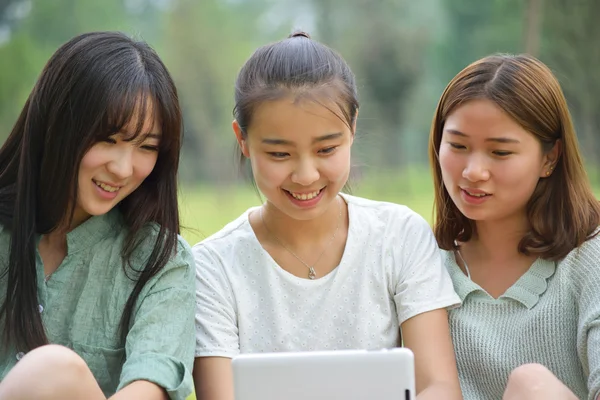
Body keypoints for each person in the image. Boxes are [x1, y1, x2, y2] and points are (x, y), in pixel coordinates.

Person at [192, 31, 462, 400]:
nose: (305, 175)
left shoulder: (399, 236)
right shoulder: (214, 266)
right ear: (243, 139)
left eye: (326, 149)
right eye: (279, 154)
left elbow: (439, 387)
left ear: (352, 127)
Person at [0, 31, 196, 400]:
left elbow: (152, 382)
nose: (123, 169)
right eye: (108, 139)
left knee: (56, 370)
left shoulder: (160, 260)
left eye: (147, 147)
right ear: (57, 126)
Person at [429, 53, 600, 400]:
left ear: (550, 158)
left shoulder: (589, 256)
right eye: (458, 145)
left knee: (531, 385)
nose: (473, 171)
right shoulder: (422, 263)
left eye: (500, 152)